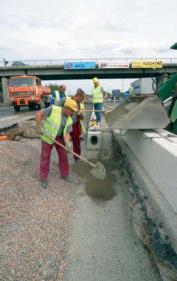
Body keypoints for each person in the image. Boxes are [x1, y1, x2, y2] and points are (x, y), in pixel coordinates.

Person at [35, 98, 78, 189]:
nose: (72, 114)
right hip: (47, 137)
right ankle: (43, 178)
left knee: (63, 156)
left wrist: (67, 143)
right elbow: (39, 114)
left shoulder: (69, 119)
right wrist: (38, 127)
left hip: (59, 138)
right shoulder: (53, 109)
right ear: (67, 108)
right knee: (45, 157)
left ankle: (64, 175)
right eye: (72, 111)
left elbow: (66, 133)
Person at [56, 89, 86, 161]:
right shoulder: (66, 100)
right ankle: (63, 161)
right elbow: (56, 108)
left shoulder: (81, 103)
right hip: (65, 124)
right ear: (78, 96)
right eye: (81, 99)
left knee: (77, 142)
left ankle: (77, 158)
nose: (82, 101)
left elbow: (82, 116)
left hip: (75, 125)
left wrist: (81, 115)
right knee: (63, 143)